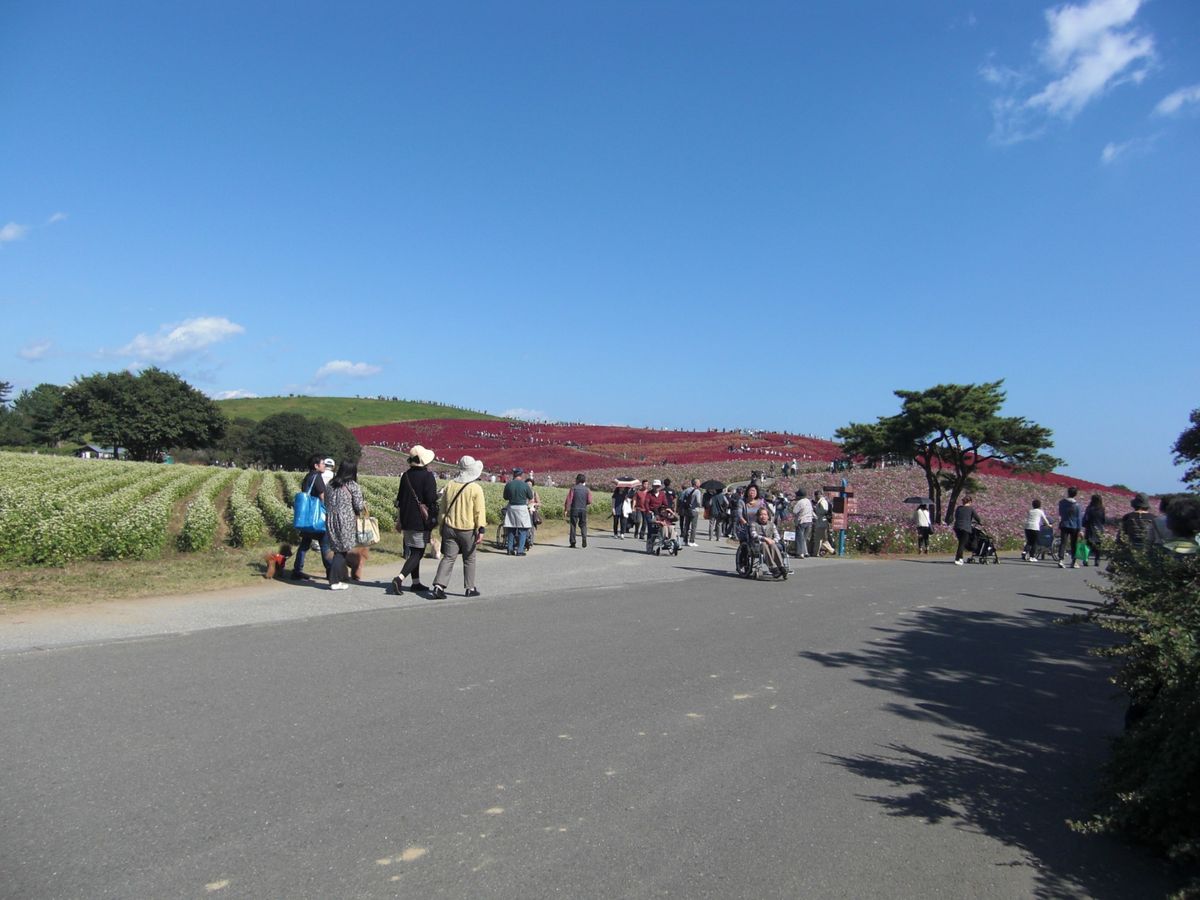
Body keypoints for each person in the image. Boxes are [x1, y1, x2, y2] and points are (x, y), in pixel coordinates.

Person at [430, 455, 487, 599]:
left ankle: (438, 586)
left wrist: (442, 525)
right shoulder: (475, 488)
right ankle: (470, 588)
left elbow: (442, 508)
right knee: (469, 559)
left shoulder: (450, 485)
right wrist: (481, 529)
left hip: (449, 527)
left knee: (448, 557)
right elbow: (479, 511)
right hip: (467, 529)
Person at [392, 445, 439, 595]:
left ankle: (416, 582)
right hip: (420, 520)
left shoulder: (405, 476)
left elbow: (399, 499)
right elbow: (431, 499)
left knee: (413, 550)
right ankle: (399, 579)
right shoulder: (428, 476)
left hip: (406, 518)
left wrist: (399, 520)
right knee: (418, 552)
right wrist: (439, 496)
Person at [324, 461, 366, 590]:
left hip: (331, 518)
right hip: (345, 520)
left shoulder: (330, 484)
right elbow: (358, 506)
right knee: (341, 551)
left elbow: (326, 501)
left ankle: (342, 577)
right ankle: (334, 580)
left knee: (337, 548)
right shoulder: (352, 485)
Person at [292, 455, 330, 581]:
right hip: (317, 518)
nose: (324, 465)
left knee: (304, 545)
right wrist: (327, 511)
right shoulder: (317, 477)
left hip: (307, 517)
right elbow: (322, 496)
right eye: (323, 463)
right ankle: (330, 572)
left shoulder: (307, 477)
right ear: (316, 465)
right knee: (325, 545)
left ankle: (297, 570)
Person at [503, 467, 534, 555]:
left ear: (514, 475)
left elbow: (505, 497)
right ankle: (520, 550)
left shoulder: (509, 484)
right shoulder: (525, 485)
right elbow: (530, 497)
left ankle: (509, 549)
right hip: (521, 507)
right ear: (521, 475)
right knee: (522, 529)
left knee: (511, 528)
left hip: (511, 507)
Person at [749, 507, 787, 577]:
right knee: (764, 544)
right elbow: (754, 535)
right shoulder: (754, 524)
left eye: (765, 514)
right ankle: (773, 568)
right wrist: (765, 539)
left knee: (773, 545)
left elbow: (777, 536)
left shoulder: (772, 525)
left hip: (770, 544)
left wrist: (773, 540)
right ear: (758, 516)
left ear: (768, 516)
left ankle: (781, 566)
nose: (763, 516)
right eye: (761, 514)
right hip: (757, 544)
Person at [1057, 486, 1083, 569]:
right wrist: (1080, 529)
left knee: (1063, 543)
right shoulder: (1077, 505)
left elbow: (1060, 513)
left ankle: (1061, 560)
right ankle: (1073, 561)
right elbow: (1079, 518)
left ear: (1068, 493)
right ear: (1075, 494)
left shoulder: (1061, 502)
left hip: (1064, 524)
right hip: (1074, 526)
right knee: (1074, 544)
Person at [952, 496, 982, 565]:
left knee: (961, 543)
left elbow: (956, 516)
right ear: (970, 502)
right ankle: (958, 558)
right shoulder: (970, 509)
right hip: (965, 528)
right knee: (962, 544)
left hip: (957, 527)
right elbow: (977, 518)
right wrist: (980, 522)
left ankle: (960, 557)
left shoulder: (958, 508)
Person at [564, 473, 592, 548]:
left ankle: (573, 542)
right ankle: (584, 536)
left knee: (573, 525)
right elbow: (589, 501)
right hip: (583, 509)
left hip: (574, 509)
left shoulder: (573, 488)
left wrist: (566, 509)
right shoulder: (587, 489)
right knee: (583, 524)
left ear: (577, 480)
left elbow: (569, 500)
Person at [643, 480, 670, 552]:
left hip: (659, 512)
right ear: (653, 486)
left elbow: (665, 503)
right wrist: (648, 510)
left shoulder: (662, 494)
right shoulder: (649, 494)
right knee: (651, 530)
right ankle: (649, 546)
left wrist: (666, 508)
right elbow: (646, 503)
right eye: (655, 486)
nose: (656, 487)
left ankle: (665, 540)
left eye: (658, 486)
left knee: (664, 526)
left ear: (660, 486)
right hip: (651, 512)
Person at [1082, 494, 1107, 568]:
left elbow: (1086, 518)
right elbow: (1103, 520)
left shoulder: (1089, 508)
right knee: (1098, 545)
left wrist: (1084, 524)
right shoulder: (1102, 509)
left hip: (1090, 528)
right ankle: (1097, 560)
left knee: (1088, 545)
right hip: (1099, 529)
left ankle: (1086, 559)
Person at [679, 479, 703, 546]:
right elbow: (698, 501)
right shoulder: (697, 491)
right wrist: (699, 505)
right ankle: (692, 541)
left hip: (687, 509)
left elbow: (681, 498)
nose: (700, 483)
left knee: (686, 525)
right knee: (693, 526)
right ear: (695, 484)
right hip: (694, 510)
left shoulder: (687, 490)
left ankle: (685, 540)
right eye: (699, 482)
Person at [792, 489, 815, 558]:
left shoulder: (800, 502)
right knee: (804, 538)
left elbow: (794, 511)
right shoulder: (808, 501)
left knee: (799, 538)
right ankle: (806, 552)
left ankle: (800, 553)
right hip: (809, 520)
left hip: (801, 521)